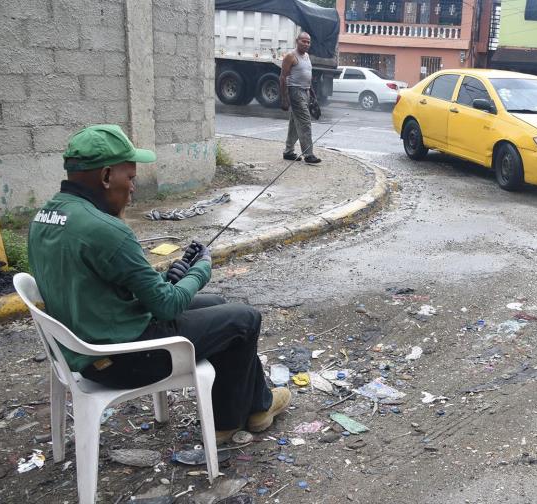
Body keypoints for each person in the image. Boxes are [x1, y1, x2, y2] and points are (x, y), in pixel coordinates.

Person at [27, 124, 291, 442]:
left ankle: (254, 408)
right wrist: (201, 269)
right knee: (246, 318)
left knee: (219, 305)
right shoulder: (105, 229)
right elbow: (167, 306)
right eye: (131, 178)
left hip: (87, 342)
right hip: (125, 359)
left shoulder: (45, 217)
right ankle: (229, 421)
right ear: (107, 176)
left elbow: (105, 284)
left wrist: (170, 276)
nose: (134, 188)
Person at [280, 31, 321, 164]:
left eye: (308, 42)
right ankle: (308, 154)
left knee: (294, 123)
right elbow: (282, 77)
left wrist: (313, 94)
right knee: (305, 122)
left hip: (306, 91)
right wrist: (284, 98)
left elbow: (308, 76)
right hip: (295, 92)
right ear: (297, 41)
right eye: (303, 41)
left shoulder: (307, 56)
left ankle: (288, 152)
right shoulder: (290, 56)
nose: (306, 44)